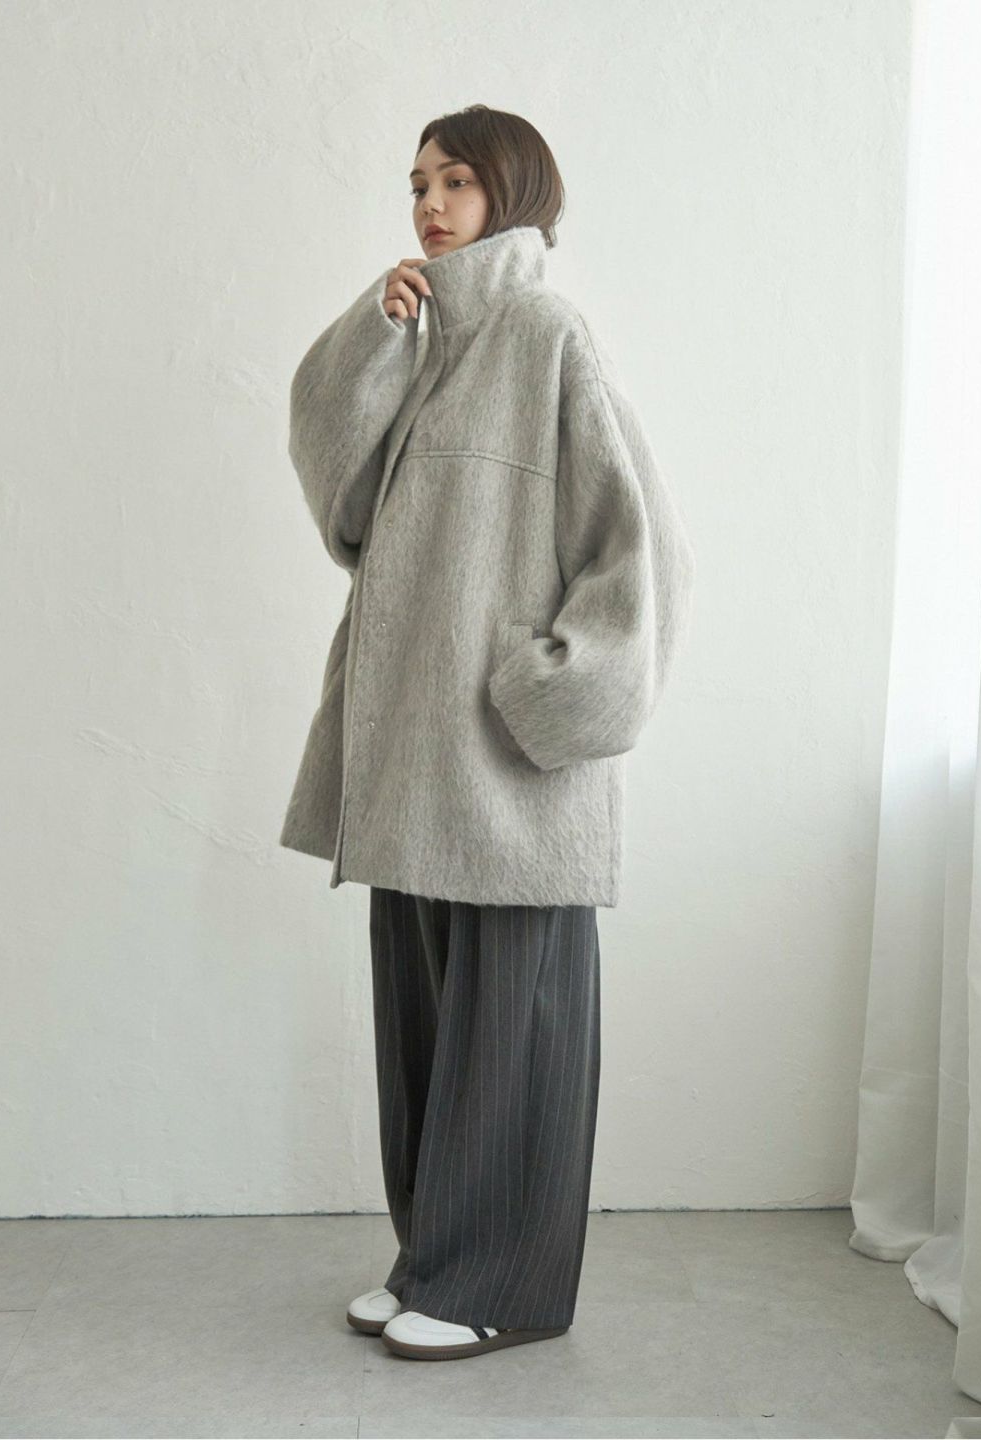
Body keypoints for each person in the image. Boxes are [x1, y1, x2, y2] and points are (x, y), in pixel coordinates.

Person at [279, 104, 697, 1360]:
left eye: (456, 181)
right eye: (417, 182)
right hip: (408, 760)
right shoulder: (424, 345)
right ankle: (433, 1261)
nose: (428, 203)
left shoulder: (547, 336)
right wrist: (374, 335)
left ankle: (498, 1284)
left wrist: (546, 694)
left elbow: (646, 553)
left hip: (510, 772)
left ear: (511, 193)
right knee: (426, 1030)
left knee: (511, 1038)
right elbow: (341, 504)